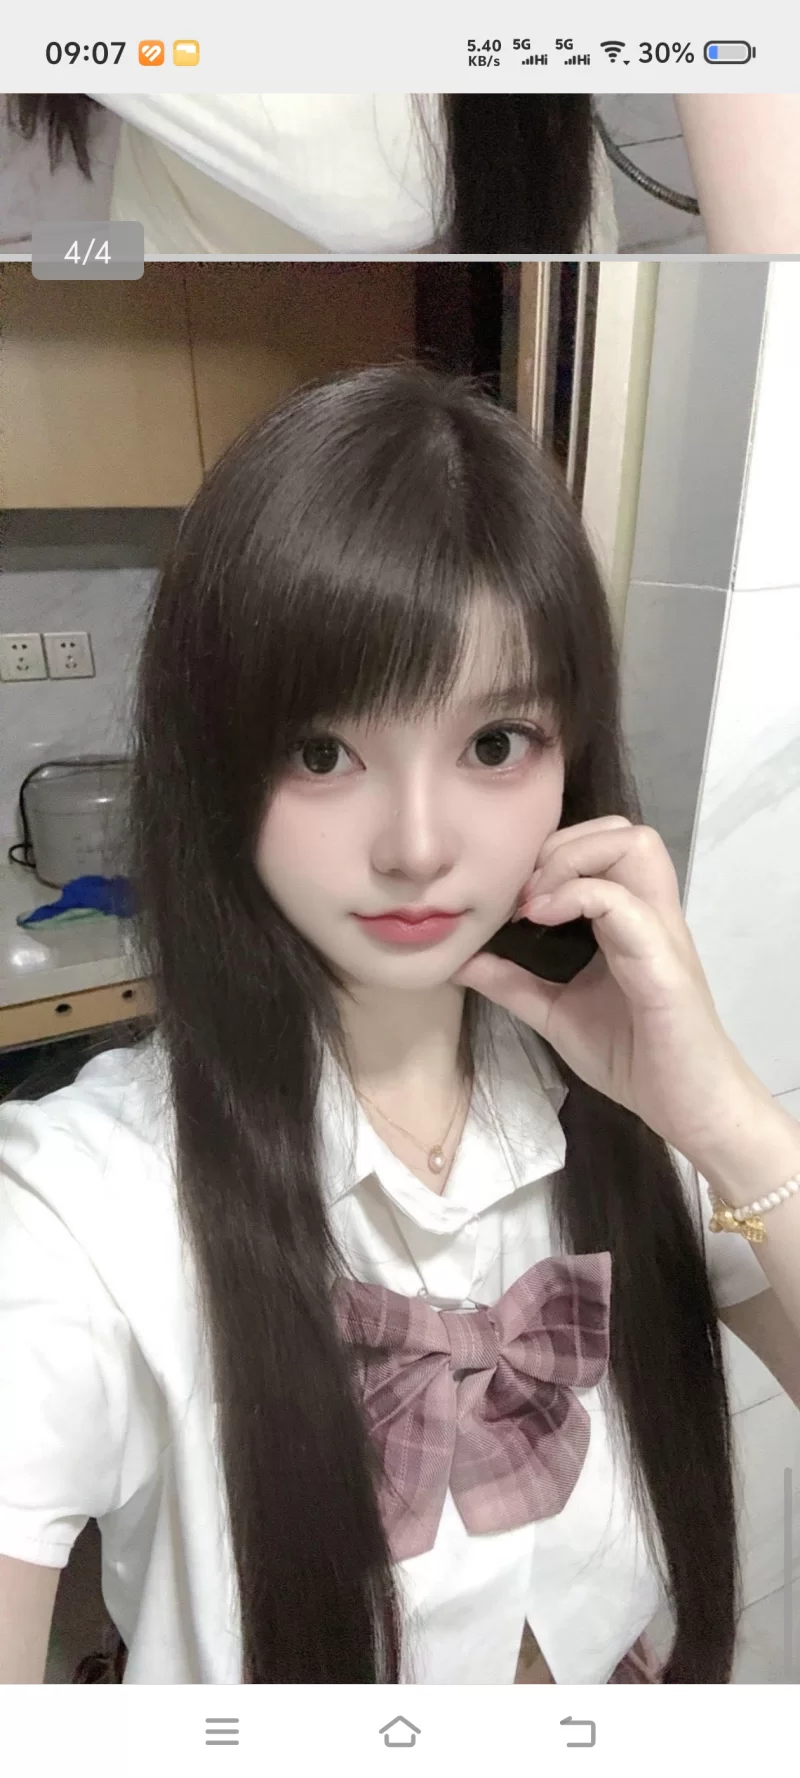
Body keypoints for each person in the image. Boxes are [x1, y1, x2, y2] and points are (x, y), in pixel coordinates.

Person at [1, 362, 800, 1687]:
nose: (420, 846)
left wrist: (720, 1112)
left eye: (495, 743)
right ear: (214, 767)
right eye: (324, 752)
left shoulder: (631, 1104)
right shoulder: (83, 1205)